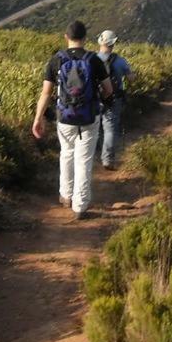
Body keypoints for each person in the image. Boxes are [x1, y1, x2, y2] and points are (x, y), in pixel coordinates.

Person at [32, 20, 112, 220]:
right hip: (89, 116)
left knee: (66, 153)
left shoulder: (56, 60)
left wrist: (38, 118)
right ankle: (80, 206)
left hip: (64, 117)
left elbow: (46, 93)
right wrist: (100, 101)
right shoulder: (94, 60)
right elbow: (108, 89)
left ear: (66, 37)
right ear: (85, 39)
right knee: (83, 160)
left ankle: (65, 195)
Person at [96, 29, 134, 170]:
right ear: (113, 44)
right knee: (110, 128)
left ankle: (96, 155)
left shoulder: (92, 59)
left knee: (96, 127)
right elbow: (131, 78)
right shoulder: (120, 61)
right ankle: (107, 160)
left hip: (95, 99)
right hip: (114, 98)